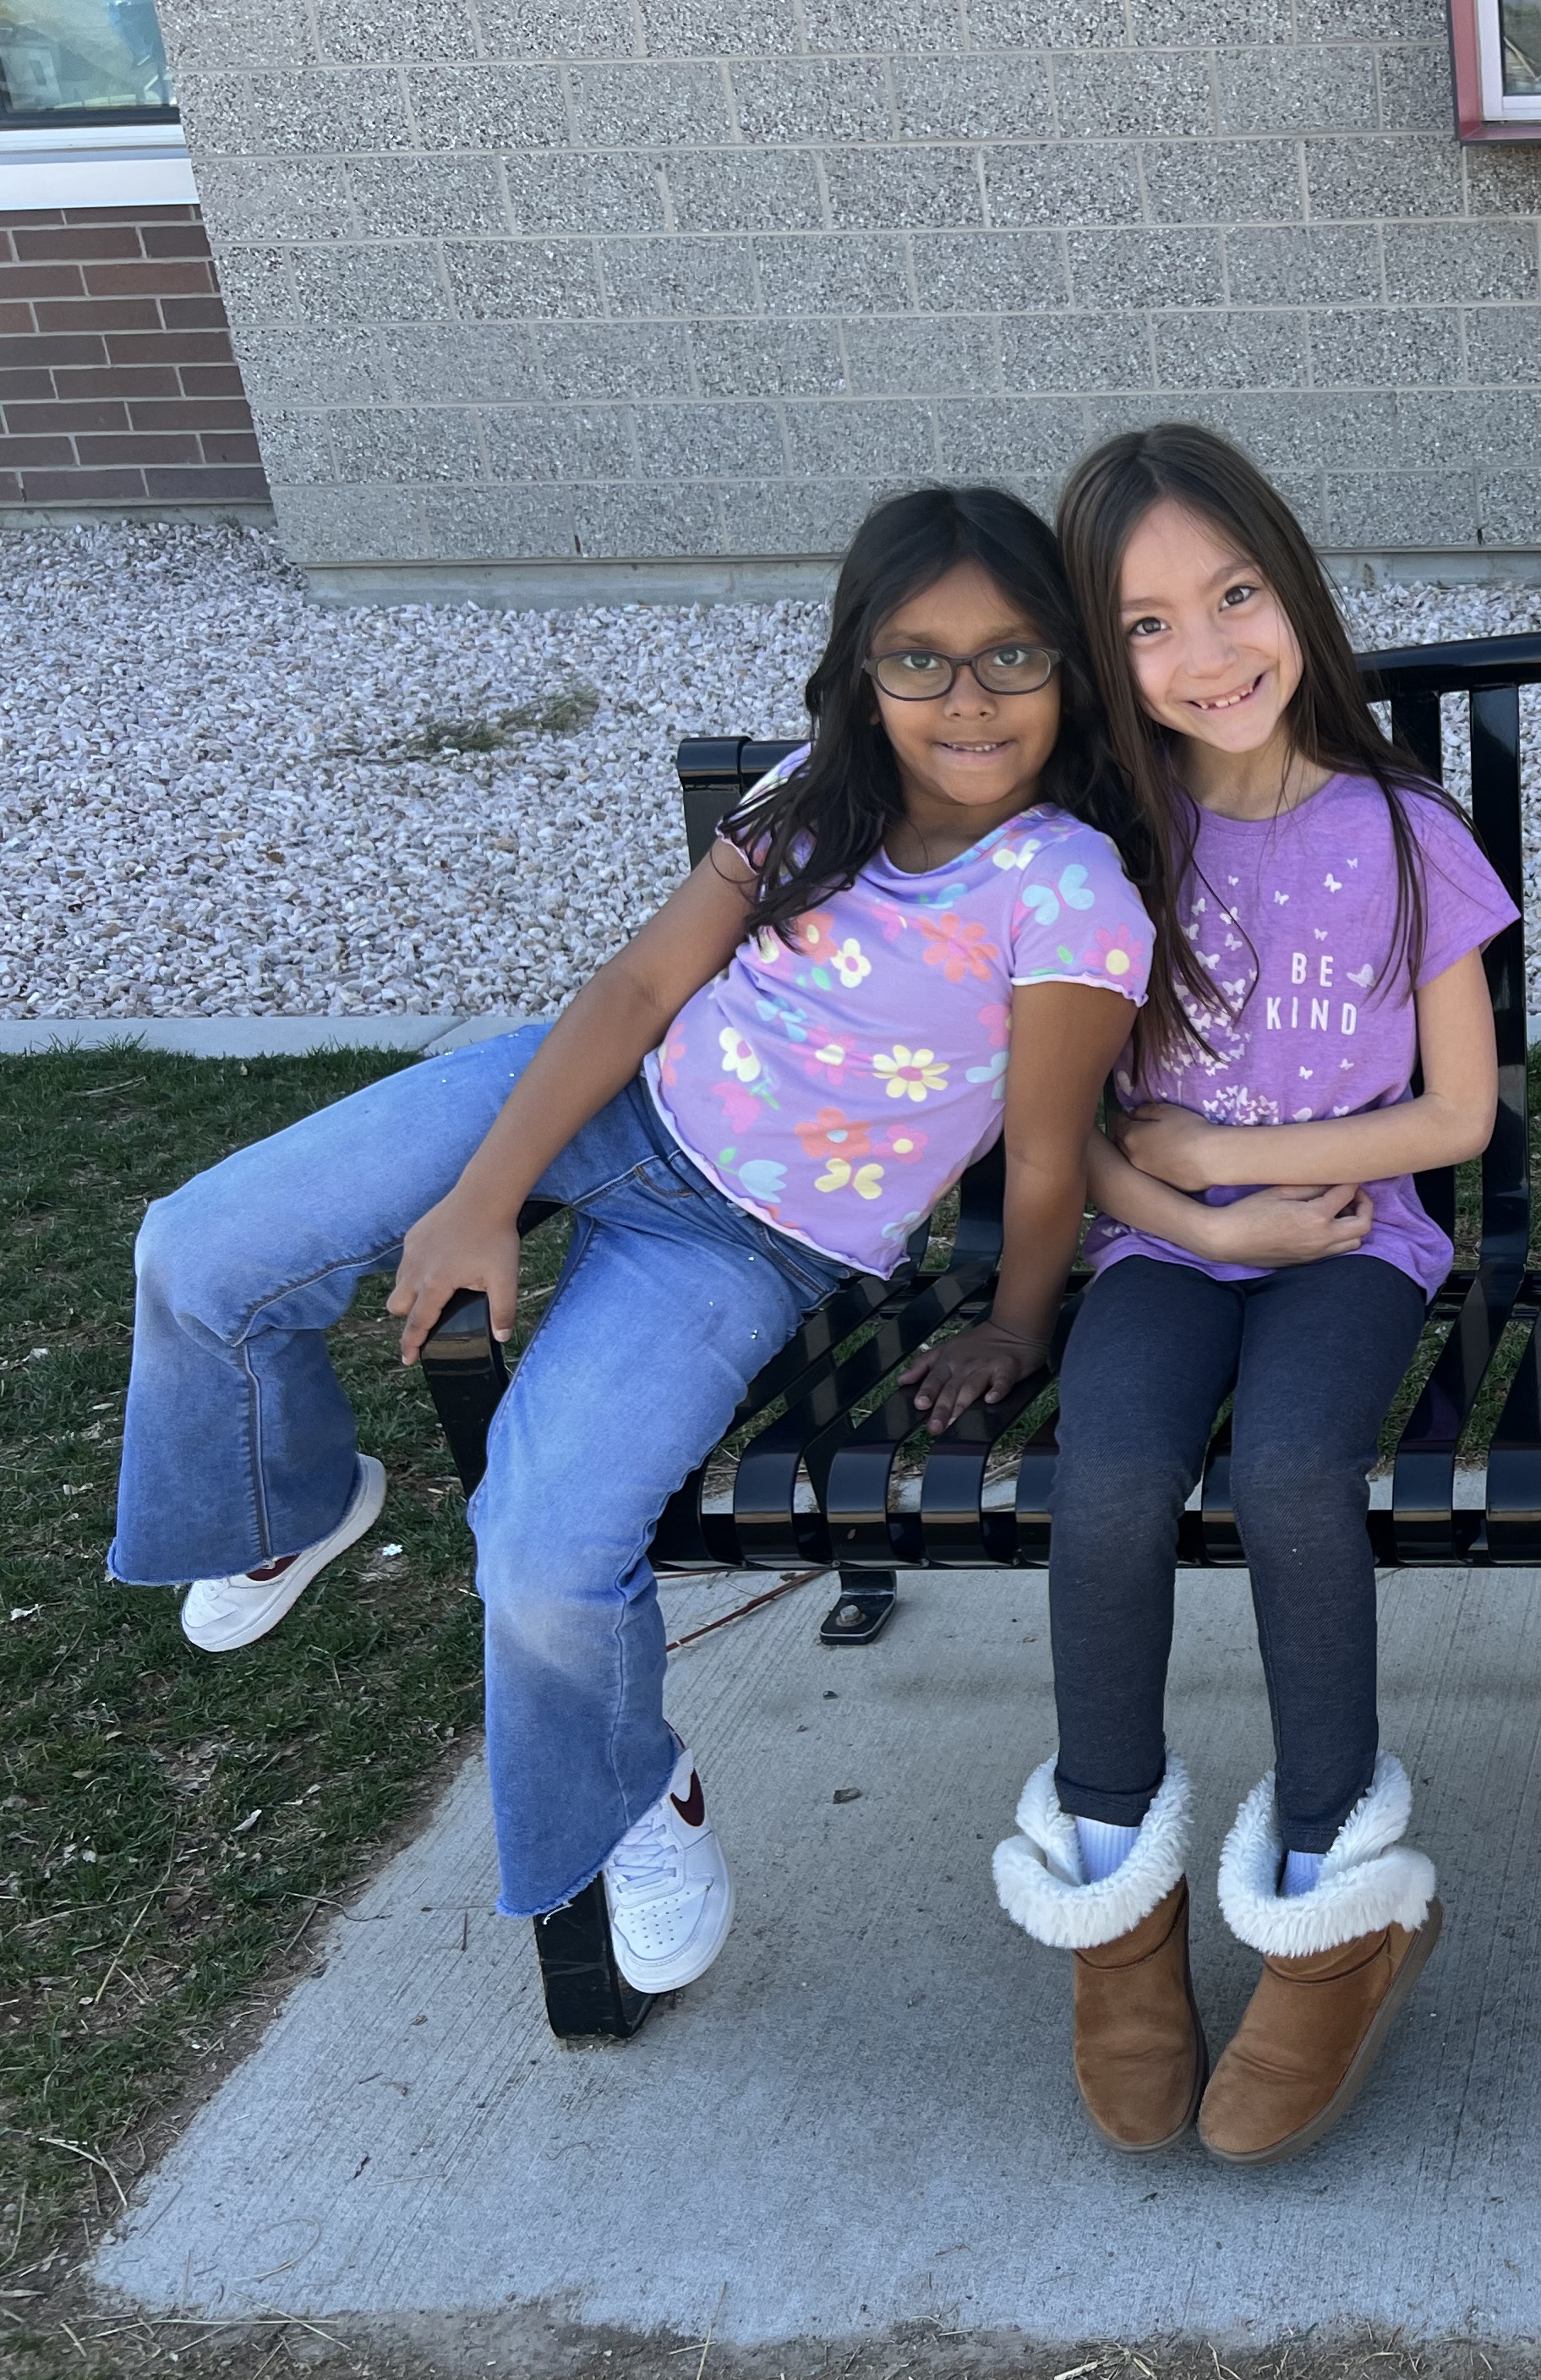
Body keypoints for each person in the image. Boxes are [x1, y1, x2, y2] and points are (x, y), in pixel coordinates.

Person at [110, 486, 1150, 2016]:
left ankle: (631, 1788)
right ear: (862, 672)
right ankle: (295, 1500)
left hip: (749, 1244)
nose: (968, 698)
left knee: (542, 1552)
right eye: (918, 659)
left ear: (1068, 667)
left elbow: (1050, 1153)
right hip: (607, 1101)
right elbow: (637, 990)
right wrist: (485, 1195)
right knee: (200, 1245)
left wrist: (1017, 1324)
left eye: (1013, 656)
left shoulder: (1068, 893)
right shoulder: (819, 798)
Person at [986, 425, 1513, 2165]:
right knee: (1112, 1476)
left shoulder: (1405, 830)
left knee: (1294, 1471)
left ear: (1295, 589)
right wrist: (1199, 1217)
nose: (1206, 653)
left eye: (1233, 596)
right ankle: (1116, 1906)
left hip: (1357, 1247)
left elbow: (1458, 1115)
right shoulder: (1100, 849)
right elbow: (1074, 1125)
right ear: (1099, 650)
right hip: (1160, 1248)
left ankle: (1330, 1898)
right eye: (1147, 625)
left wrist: (1251, 1174)